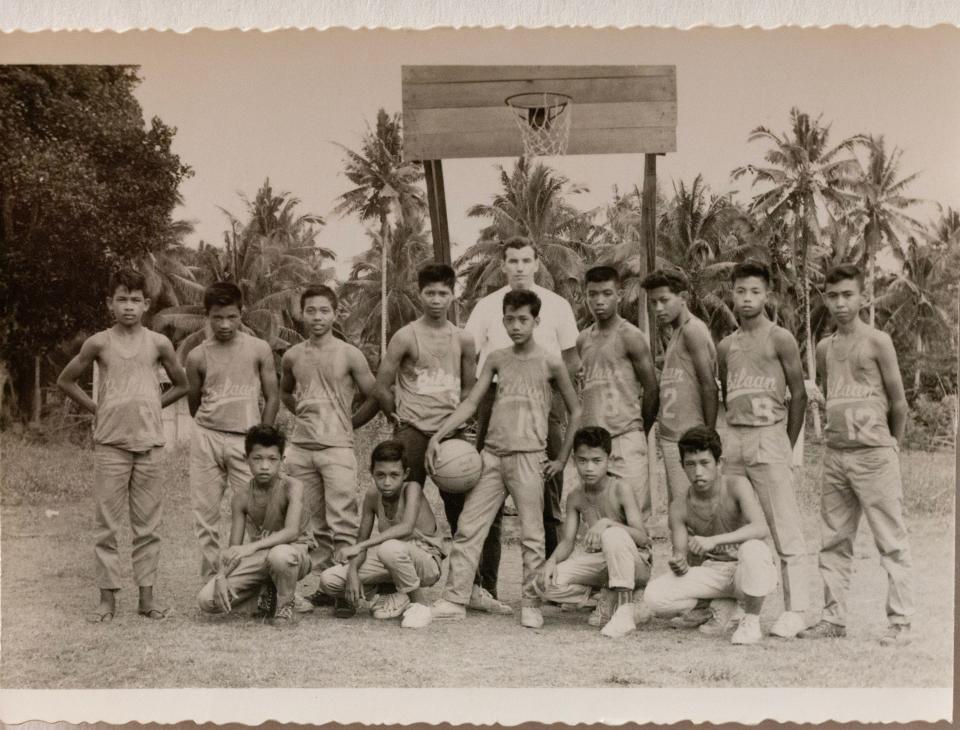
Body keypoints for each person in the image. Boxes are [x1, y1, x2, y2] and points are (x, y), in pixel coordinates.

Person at [354, 263, 509, 614]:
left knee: (469, 514)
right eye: (430, 293)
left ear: (453, 294)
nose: (437, 299)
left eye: (443, 293)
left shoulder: (464, 339)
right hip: (412, 434)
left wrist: (453, 428)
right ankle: (391, 587)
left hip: (452, 439)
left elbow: (471, 391)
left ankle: (476, 588)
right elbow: (381, 383)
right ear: (419, 293)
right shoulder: (406, 336)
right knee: (393, 506)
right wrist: (397, 415)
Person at [427, 289, 582, 629]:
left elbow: (576, 410)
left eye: (523, 319)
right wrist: (438, 435)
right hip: (492, 457)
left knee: (532, 534)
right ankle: (454, 598)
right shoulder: (497, 358)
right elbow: (470, 403)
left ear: (536, 321)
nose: (515, 325)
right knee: (469, 528)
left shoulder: (551, 361)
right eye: (509, 319)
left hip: (530, 457)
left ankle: (530, 601)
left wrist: (561, 460)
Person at [57, 268, 188, 623]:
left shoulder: (159, 343)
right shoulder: (98, 342)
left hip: (149, 445)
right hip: (110, 444)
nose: (128, 306)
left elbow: (182, 384)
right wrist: (97, 408)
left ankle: (147, 599)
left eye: (135, 300)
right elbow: (66, 380)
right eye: (121, 299)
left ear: (146, 304)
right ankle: (107, 600)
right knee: (107, 525)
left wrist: (151, 406)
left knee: (148, 527)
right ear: (109, 304)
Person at [799, 264, 915, 646]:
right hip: (837, 455)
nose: (840, 303)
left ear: (863, 297)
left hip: (874, 455)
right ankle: (833, 618)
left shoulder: (878, 341)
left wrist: (891, 447)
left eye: (848, 295)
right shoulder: (824, 347)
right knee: (833, 540)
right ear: (824, 298)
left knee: (891, 540)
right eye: (832, 296)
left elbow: (898, 403)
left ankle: (900, 622)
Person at [463, 236, 581, 601]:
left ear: (536, 263)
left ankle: (550, 586)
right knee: (489, 492)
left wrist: (555, 405)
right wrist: (477, 401)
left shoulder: (558, 306)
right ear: (502, 264)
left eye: (525, 260)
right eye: (511, 260)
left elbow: (571, 361)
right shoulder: (486, 306)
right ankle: (487, 587)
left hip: (543, 400)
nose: (518, 267)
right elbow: (470, 356)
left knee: (548, 496)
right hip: (496, 398)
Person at [717, 260, 810, 639]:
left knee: (783, 525)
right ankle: (742, 606)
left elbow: (799, 394)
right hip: (735, 437)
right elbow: (725, 392)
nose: (747, 298)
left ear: (767, 294)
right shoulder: (726, 345)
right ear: (732, 294)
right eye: (741, 291)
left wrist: (784, 444)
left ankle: (796, 610)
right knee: (735, 524)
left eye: (755, 291)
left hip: (769, 433)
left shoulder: (780, 338)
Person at [279, 284, 378, 616]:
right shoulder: (293, 355)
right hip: (301, 448)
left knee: (342, 520)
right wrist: (305, 418)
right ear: (301, 313)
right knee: (312, 522)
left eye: (324, 310)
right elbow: (286, 394)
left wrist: (348, 424)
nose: (317, 317)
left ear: (335, 314)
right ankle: (325, 585)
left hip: (337, 448)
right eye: (311, 310)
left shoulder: (349, 354)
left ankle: (344, 592)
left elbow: (373, 396)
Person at [640, 426, 777, 645]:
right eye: (691, 465)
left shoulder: (737, 485)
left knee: (754, 549)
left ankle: (750, 620)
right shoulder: (679, 506)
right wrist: (679, 563)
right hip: (713, 573)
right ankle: (717, 606)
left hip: (745, 570)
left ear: (719, 463)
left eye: (705, 463)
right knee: (654, 596)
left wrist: (713, 540)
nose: (698, 472)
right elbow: (680, 554)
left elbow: (761, 528)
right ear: (682, 466)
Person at [184, 282, 279, 584]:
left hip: (246, 439)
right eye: (217, 317)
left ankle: (260, 581)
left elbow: (273, 396)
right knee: (206, 515)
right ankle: (212, 583)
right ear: (207, 316)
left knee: (258, 511)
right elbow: (193, 403)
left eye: (231, 317)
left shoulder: (258, 348)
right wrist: (210, 427)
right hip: (207, 437)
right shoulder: (197, 356)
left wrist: (263, 438)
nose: (224, 325)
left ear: (242, 313)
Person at [315, 440, 445, 629]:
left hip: (426, 563)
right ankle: (394, 593)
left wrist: (361, 546)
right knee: (330, 580)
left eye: (394, 475)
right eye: (380, 475)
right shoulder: (372, 495)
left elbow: (406, 528)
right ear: (372, 474)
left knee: (388, 548)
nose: (387, 482)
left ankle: (420, 606)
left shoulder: (412, 488)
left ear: (405, 474)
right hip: (393, 560)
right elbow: (362, 539)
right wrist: (352, 572)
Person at [536, 426, 652, 638]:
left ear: (609, 459)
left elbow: (643, 537)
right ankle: (605, 596)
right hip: (602, 563)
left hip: (635, 563)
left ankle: (624, 610)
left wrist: (607, 523)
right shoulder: (575, 496)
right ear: (574, 460)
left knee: (612, 535)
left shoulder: (620, 488)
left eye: (596, 461)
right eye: (582, 460)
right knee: (544, 584)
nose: (589, 468)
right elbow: (568, 542)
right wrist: (551, 561)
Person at [196, 424, 311, 625]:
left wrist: (250, 547)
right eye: (257, 458)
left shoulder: (293, 486)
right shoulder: (241, 498)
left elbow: (292, 532)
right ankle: (267, 593)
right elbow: (235, 549)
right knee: (207, 600)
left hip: (294, 555)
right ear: (246, 459)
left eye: (272, 459)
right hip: (261, 557)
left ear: (282, 460)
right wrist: (222, 576)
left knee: (280, 555)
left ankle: (285, 606)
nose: (265, 466)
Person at [578, 265, 659, 522]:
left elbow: (652, 389)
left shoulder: (631, 336)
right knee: (598, 519)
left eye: (606, 293)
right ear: (586, 296)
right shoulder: (583, 340)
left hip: (625, 438)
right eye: (593, 294)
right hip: (594, 446)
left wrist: (638, 431)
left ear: (619, 295)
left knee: (634, 518)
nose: (599, 301)